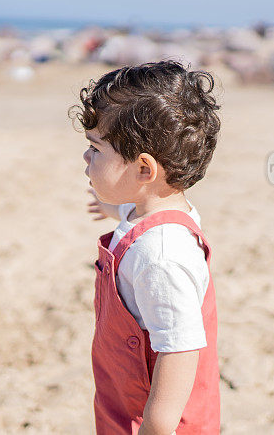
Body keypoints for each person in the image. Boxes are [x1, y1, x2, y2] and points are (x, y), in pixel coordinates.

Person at [73, 61, 222, 434]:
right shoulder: (157, 212)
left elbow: (179, 349)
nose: (86, 158)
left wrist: (155, 428)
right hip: (123, 400)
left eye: (96, 149)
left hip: (152, 421)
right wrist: (114, 208)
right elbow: (140, 212)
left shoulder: (161, 257)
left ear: (144, 170)